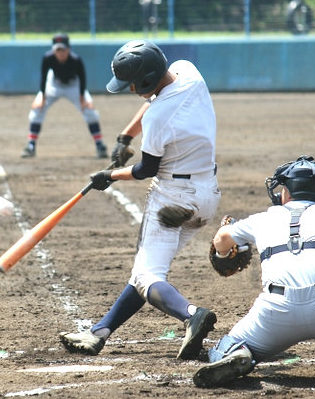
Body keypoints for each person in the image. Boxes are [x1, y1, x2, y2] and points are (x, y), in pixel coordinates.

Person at [59, 40, 221, 359]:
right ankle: (99, 332)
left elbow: (147, 169)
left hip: (172, 200)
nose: (130, 88)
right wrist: (125, 137)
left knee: (149, 276)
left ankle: (191, 315)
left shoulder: (158, 119)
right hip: (206, 197)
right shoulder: (188, 72)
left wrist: (109, 176)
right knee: (146, 270)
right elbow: (156, 99)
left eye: (132, 83)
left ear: (146, 79)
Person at [193, 155, 315, 387]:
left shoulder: (263, 218)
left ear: (288, 191)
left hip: (275, 315)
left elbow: (221, 239)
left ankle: (236, 353)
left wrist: (225, 251)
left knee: (230, 344)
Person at [20, 33, 107, 159]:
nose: (60, 53)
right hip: (53, 84)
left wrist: (83, 99)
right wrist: (42, 97)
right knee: (37, 109)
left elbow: (82, 79)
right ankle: (31, 146)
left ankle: (100, 146)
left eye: (63, 50)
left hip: (74, 86)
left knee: (89, 111)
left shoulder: (76, 60)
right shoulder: (47, 58)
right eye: (57, 50)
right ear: (53, 50)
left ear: (68, 49)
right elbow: (43, 78)